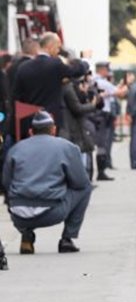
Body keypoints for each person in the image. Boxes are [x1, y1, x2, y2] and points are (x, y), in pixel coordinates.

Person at [2, 111, 93, 254]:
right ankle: (67, 239)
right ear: (53, 130)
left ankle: (26, 235)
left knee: (13, 194)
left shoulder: (16, 149)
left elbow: (6, 183)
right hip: (52, 212)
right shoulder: (67, 147)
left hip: (18, 215)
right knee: (86, 188)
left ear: (31, 132)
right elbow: (80, 182)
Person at [11, 34, 89, 137]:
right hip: (50, 120)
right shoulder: (55, 64)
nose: (58, 51)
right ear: (50, 46)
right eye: (57, 47)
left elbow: (16, 96)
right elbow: (76, 71)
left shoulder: (23, 67)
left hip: (29, 121)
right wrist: (85, 61)